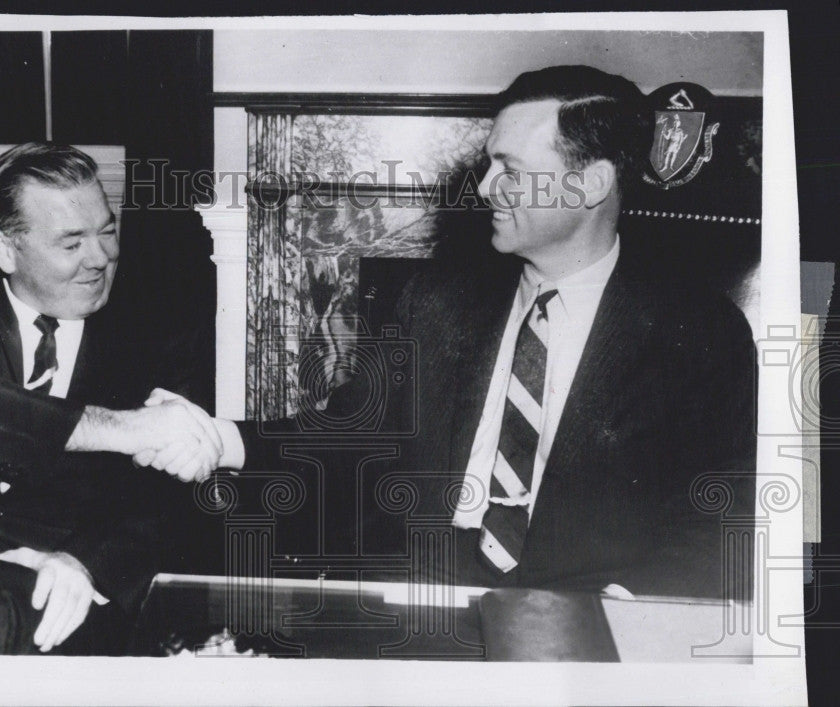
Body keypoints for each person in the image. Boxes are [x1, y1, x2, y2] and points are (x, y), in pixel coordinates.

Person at [147, 65, 757, 598]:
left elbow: (721, 519)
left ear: (589, 184)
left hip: (591, 614)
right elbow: (350, 437)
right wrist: (218, 437)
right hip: (428, 599)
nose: (485, 187)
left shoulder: (698, 334)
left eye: (508, 168)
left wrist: (622, 612)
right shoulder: (437, 301)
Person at [0, 143, 224, 655]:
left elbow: (163, 499)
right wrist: (127, 428)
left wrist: (82, 564)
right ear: (4, 248)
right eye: (71, 242)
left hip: (62, 584)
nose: (100, 258)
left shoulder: (159, 333)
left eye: (106, 231)